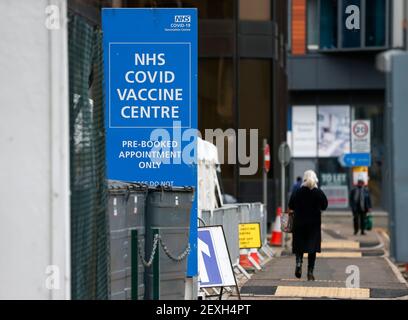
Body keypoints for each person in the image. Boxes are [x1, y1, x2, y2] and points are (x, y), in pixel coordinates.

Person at [288, 170, 328, 281]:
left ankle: (299, 264)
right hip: (313, 226)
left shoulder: (297, 192)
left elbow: (290, 204)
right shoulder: (318, 192)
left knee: (299, 247)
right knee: (312, 249)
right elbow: (325, 205)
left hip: (299, 224)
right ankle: (310, 273)